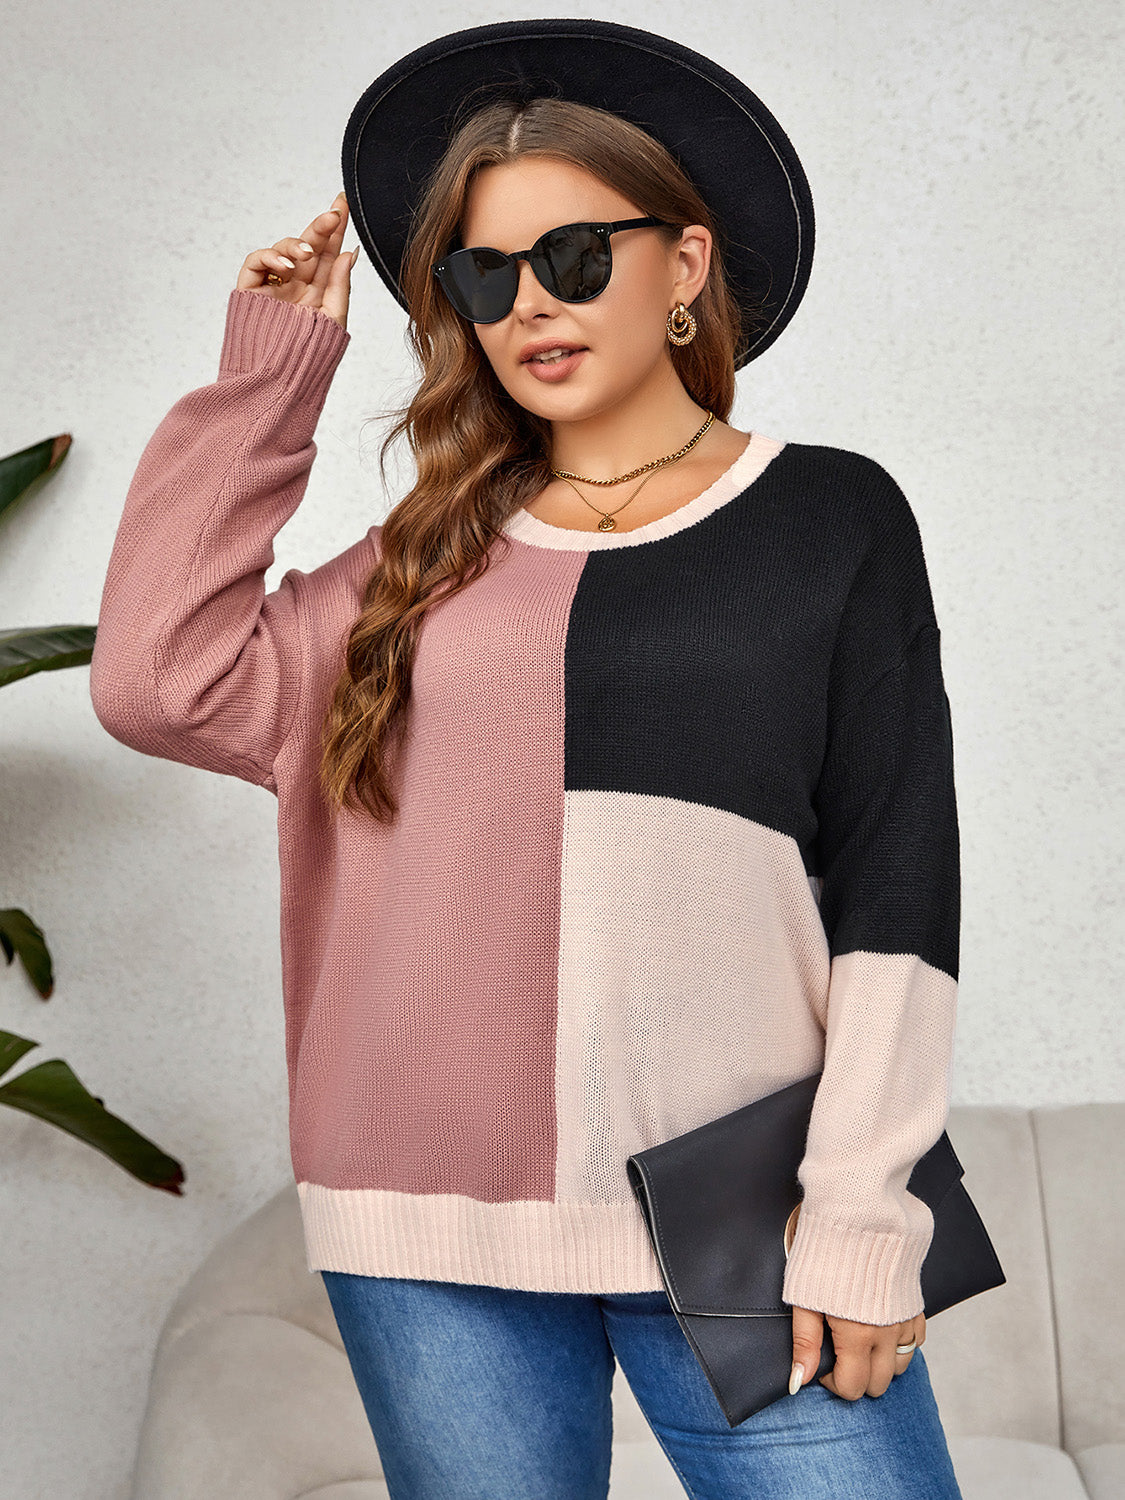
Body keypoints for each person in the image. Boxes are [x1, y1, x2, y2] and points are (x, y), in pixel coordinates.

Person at [89, 20, 964, 1500]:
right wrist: (270, 382)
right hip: (424, 1205)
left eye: (572, 255)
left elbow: (897, 880)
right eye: (485, 277)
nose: (530, 304)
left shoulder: (830, 517)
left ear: (684, 264)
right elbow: (157, 681)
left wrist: (863, 1211)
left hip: (744, 1195)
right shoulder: (417, 563)